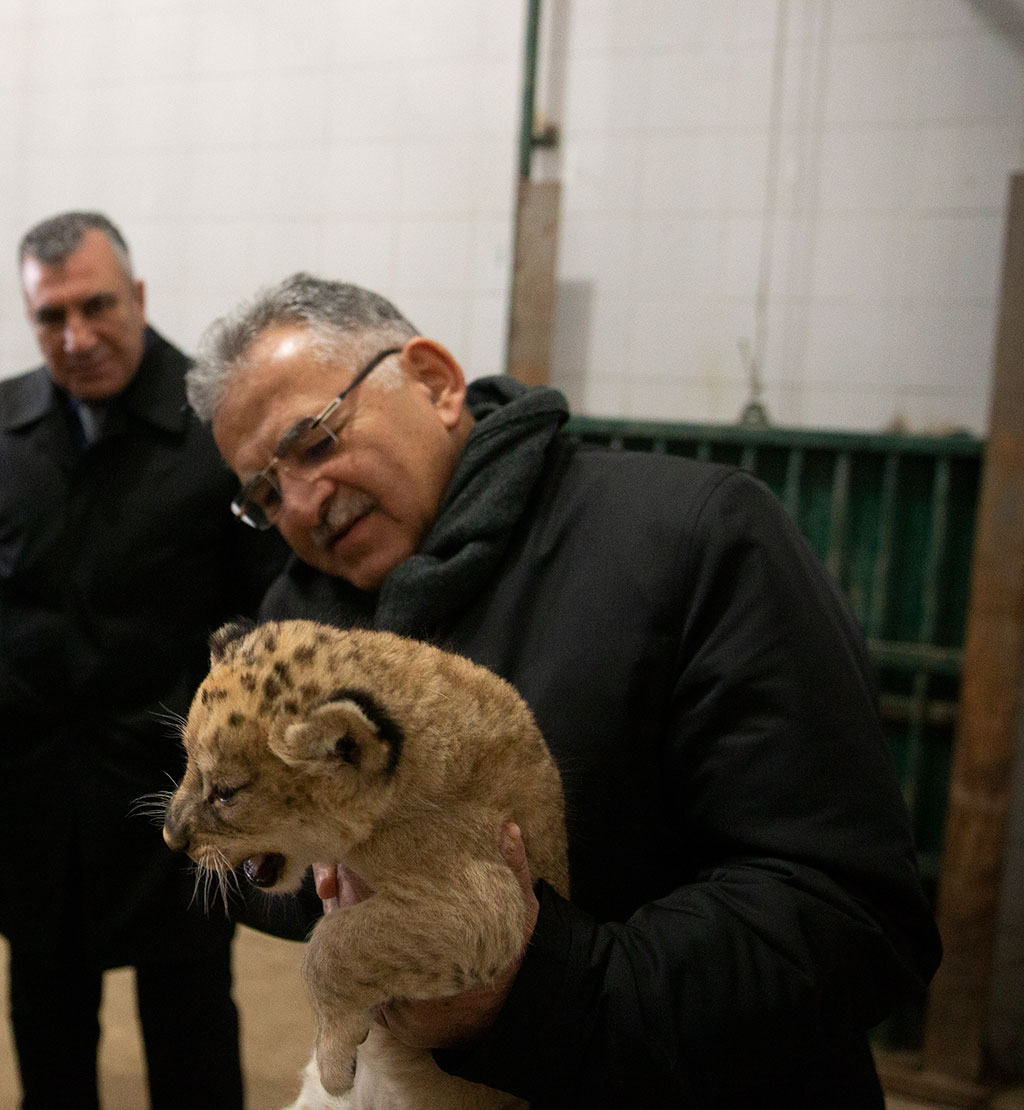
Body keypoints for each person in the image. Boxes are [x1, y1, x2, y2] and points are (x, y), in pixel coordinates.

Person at [185, 273, 943, 1109]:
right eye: (265, 492)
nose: (301, 504)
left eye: (314, 443)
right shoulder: (299, 616)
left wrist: (532, 994)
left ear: (434, 382)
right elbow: (278, 869)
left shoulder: (696, 539)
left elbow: (849, 915)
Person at [0, 211, 287, 1110]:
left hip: (177, 792)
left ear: (138, 296)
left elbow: (269, 613)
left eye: (97, 307)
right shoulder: (4, 428)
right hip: (35, 797)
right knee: (47, 1018)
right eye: (51, 317)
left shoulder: (216, 424)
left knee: (189, 1022)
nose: (77, 337)